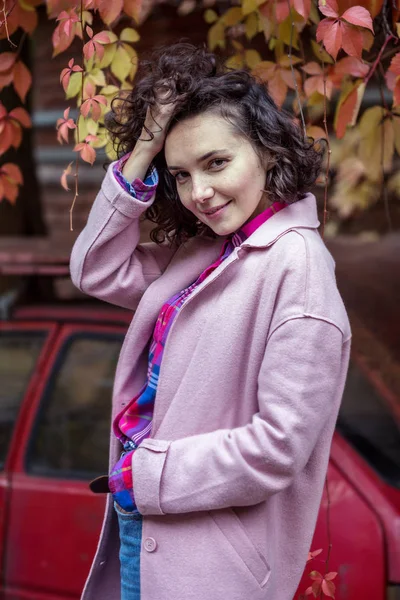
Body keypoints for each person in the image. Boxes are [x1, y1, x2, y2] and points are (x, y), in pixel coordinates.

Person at [70, 42, 351, 600]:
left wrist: (143, 477)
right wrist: (148, 144)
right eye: (180, 174)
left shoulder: (299, 271)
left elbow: (276, 448)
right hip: (147, 526)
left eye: (216, 163)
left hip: (208, 562)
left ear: (268, 152)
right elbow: (96, 268)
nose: (198, 193)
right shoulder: (210, 250)